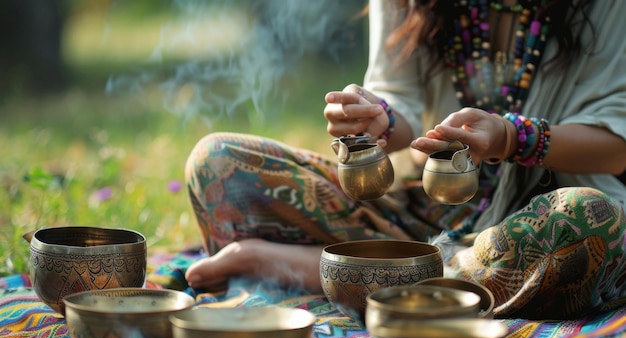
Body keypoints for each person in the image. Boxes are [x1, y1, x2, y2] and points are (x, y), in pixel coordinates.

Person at [183, 0, 626, 319]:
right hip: (433, 215)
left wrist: (511, 137)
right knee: (219, 163)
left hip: (547, 215)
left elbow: (617, 143)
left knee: (588, 222)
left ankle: (308, 268)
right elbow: (402, 103)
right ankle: (426, 277)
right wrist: (379, 118)